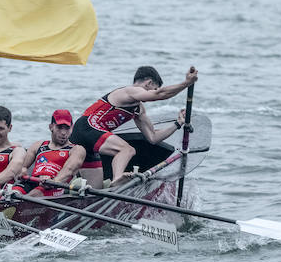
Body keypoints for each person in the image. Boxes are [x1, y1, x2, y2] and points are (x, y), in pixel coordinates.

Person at [60, 66, 198, 189]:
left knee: (95, 190)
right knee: (127, 149)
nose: (153, 92)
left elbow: (153, 137)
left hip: (91, 140)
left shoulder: (138, 109)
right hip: (86, 128)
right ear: (149, 83)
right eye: (154, 88)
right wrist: (186, 83)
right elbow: (160, 94)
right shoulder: (129, 91)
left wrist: (177, 124)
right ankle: (117, 179)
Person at [21, 109, 81, 197]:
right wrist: (22, 171)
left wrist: (54, 181)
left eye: (67, 128)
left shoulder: (76, 149)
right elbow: (23, 167)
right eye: (59, 127)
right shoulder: (38, 145)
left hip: (55, 186)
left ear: (72, 128)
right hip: (33, 182)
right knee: (15, 191)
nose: (63, 133)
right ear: (51, 127)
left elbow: (69, 170)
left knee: (34, 195)